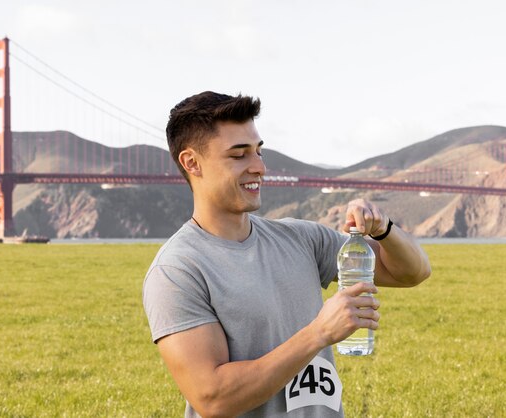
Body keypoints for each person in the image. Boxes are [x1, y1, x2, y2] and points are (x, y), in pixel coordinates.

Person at [143, 91, 431, 417]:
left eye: (258, 152)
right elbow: (213, 398)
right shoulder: (176, 270)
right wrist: (319, 333)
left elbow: (413, 272)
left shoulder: (301, 238)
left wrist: (384, 229)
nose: (259, 167)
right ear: (192, 163)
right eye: (239, 155)